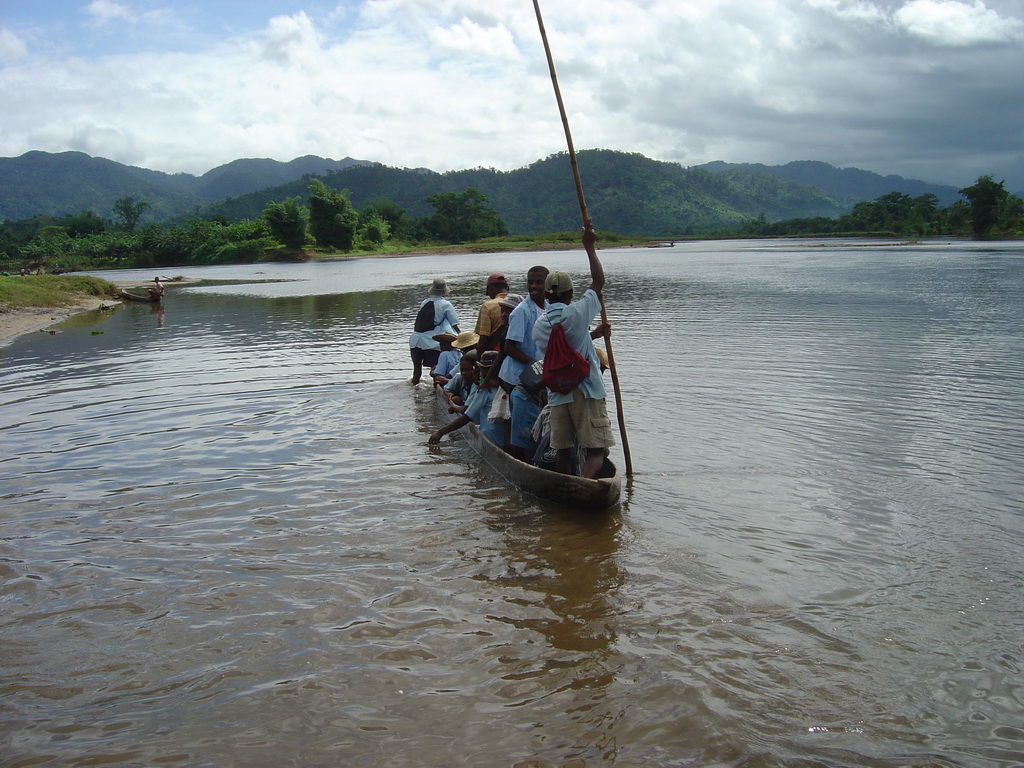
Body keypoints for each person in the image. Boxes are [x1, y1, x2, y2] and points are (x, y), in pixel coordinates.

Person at [531, 223, 614, 479]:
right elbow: (598, 281)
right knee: (597, 450)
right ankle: (584, 484)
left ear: (546, 294)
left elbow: (562, 349)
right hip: (586, 390)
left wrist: (592, 335)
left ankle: (566, 486)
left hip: (558, 394)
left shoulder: (539, 325)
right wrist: (588, 246)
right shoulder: (578, 311)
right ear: (570, 293)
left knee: (563, 450)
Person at [498, 265, 549, 460]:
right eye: (530, 282)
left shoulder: (549, 308)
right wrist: (537, 363)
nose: (533, 286)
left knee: (535, 419)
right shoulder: (521, 311)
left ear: (547, 285)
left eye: (539, 282)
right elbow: (509, 348)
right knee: (519, 424)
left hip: (537, 375)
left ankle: (534, 458)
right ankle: (518, 462)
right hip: (516, 377)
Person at [429, 350, 502, 446]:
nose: (480, 372)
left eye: (482, 369)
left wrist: (441, 432)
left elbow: (467, 417)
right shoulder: (506, 387)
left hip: (491, 437)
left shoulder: (485, 390)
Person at [409, 278, 460, 385]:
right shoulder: (446, 305)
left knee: (417, 372)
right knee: (436, 371)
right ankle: (436, 393)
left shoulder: (425, 302)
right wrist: (461, 337)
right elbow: (454, 324)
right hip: (431, 343)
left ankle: (415, 392)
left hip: (415, 340)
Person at [474, 272, 509, 356]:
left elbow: (483, 338)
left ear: (491, 288)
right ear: (507, 288)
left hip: (494, 353)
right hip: (512, 351)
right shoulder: (518, 303)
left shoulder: (488, 306)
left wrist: (478, 360)